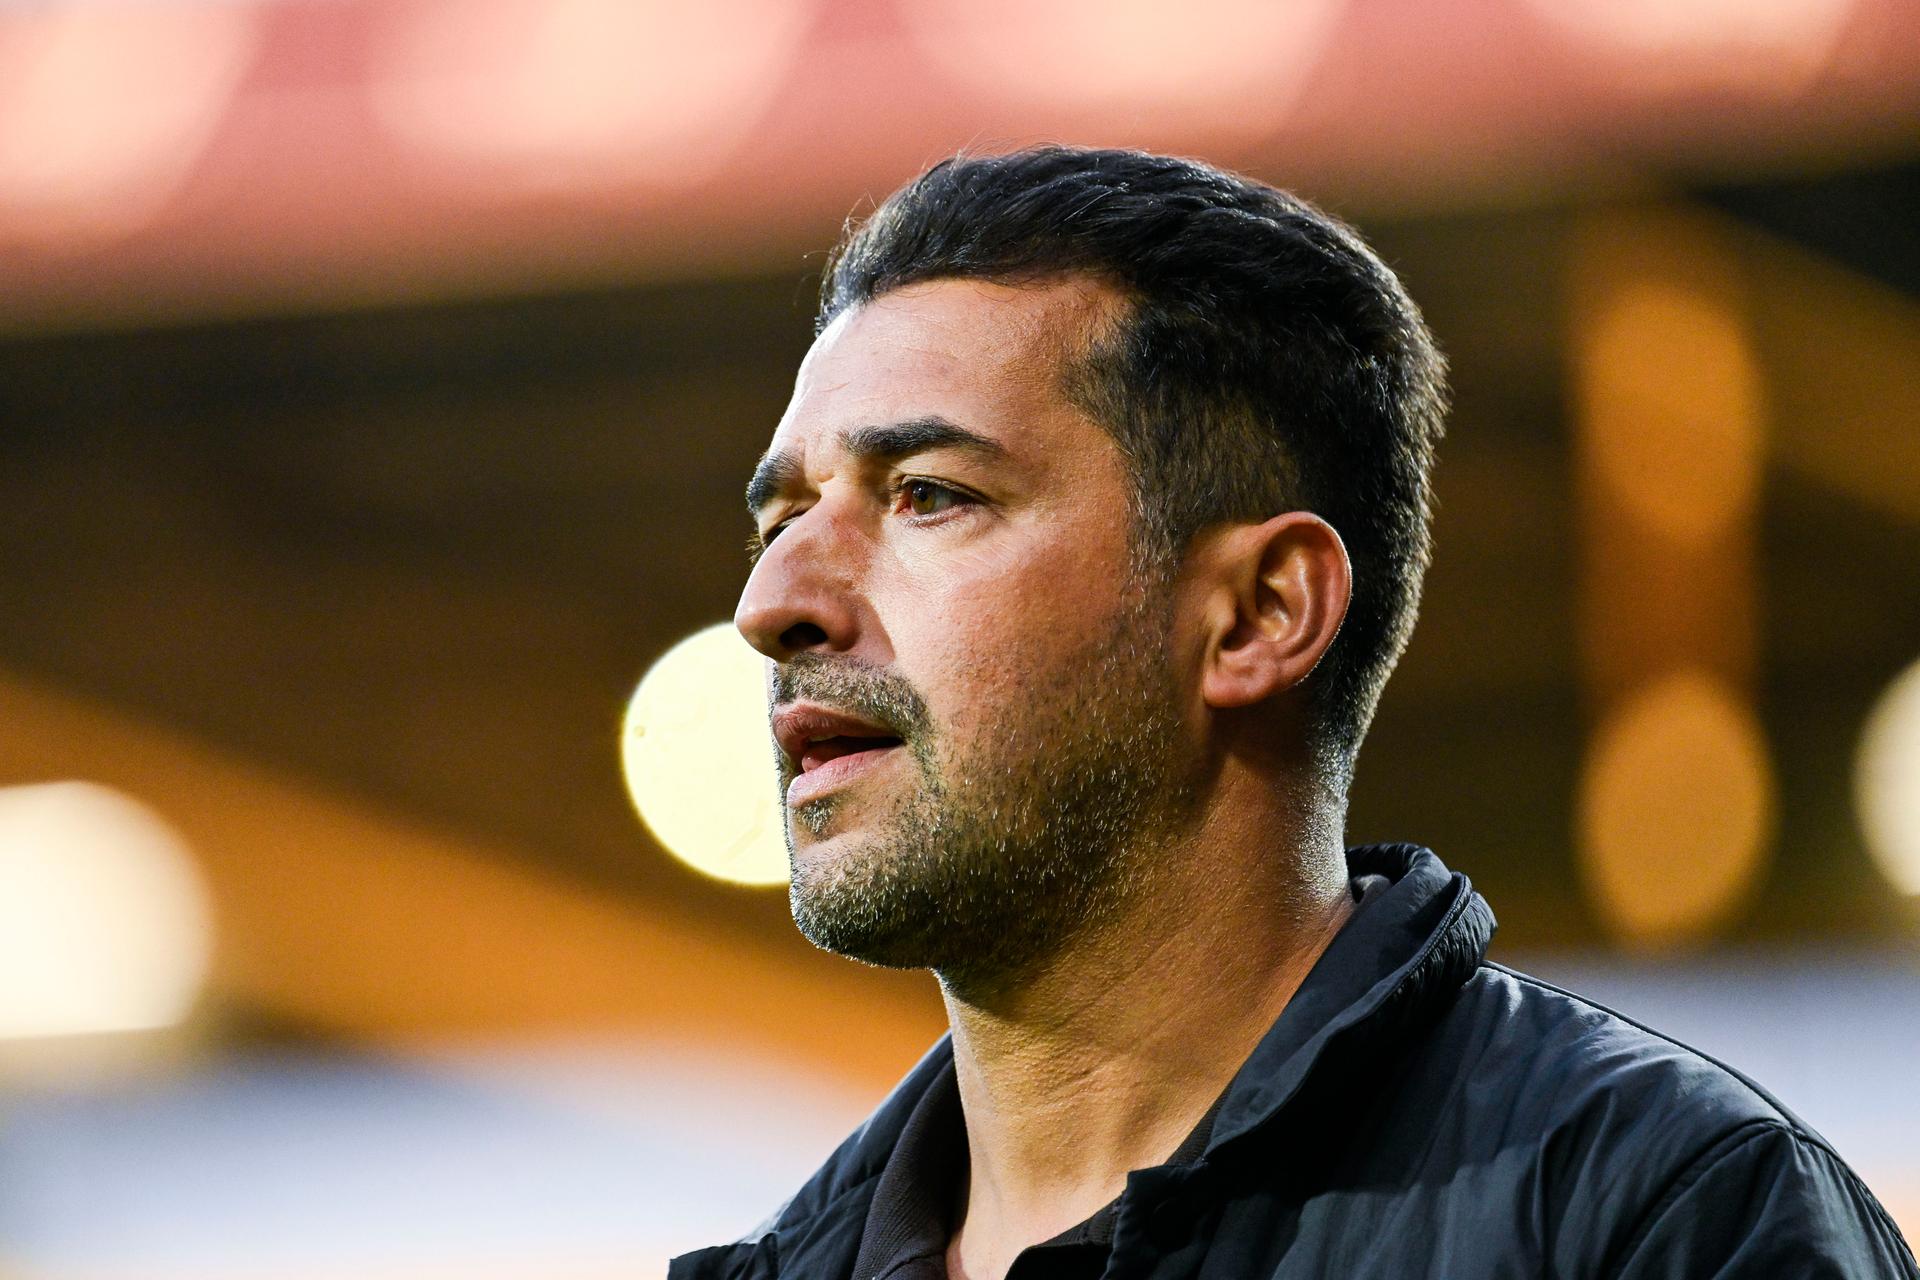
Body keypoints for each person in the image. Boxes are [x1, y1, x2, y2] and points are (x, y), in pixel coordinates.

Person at [673, 146, 1916, 1279]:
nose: (773, 602)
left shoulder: (1663, 1221)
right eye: (781, 520)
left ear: (1263, 612)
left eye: (929, 494)